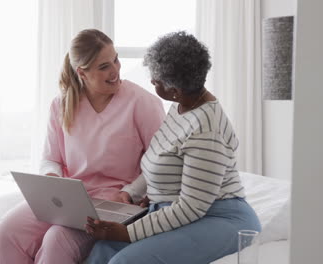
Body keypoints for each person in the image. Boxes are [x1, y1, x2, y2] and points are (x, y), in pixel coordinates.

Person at [85, 31, 262, 264]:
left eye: (156, 80)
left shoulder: (206, 129)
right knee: (101, 251)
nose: (151, 82)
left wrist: (128, 232)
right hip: (176, 210)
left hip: (218, 217)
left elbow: (191, 207)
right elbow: (161, 160)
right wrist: (134, 193)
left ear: (175, 89)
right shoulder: (181, 107)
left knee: (125, 262)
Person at [0, 29, 165, 264]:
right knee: (6, 233)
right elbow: (50, 158)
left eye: (115, 59)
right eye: (104, 66)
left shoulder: (142, 102)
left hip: (114, 199)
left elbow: (161, 163)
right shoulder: (61, 104)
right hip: (70, 197)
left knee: (56, 241)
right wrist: (52, 179)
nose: (115, 70)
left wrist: (130, 192)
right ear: (82, 72)